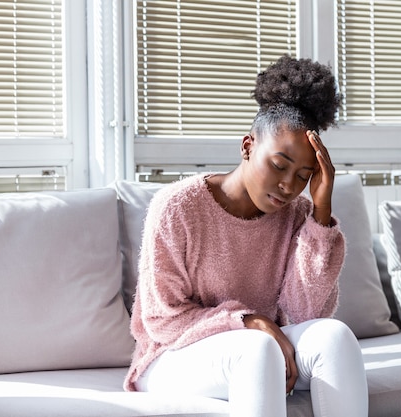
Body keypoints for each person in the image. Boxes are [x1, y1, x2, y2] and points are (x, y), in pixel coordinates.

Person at [123, 55, 368, 417]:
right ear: (248, 146)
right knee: (257, 350)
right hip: (171, 356)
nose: (287, 185)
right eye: (279, 165)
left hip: (264, 351)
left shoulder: (298, 215)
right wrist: (249, 320)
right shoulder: (178, 206)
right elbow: (163, 320)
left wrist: (320, 213)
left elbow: (305, 314)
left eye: (303, 175)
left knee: (334, 337)